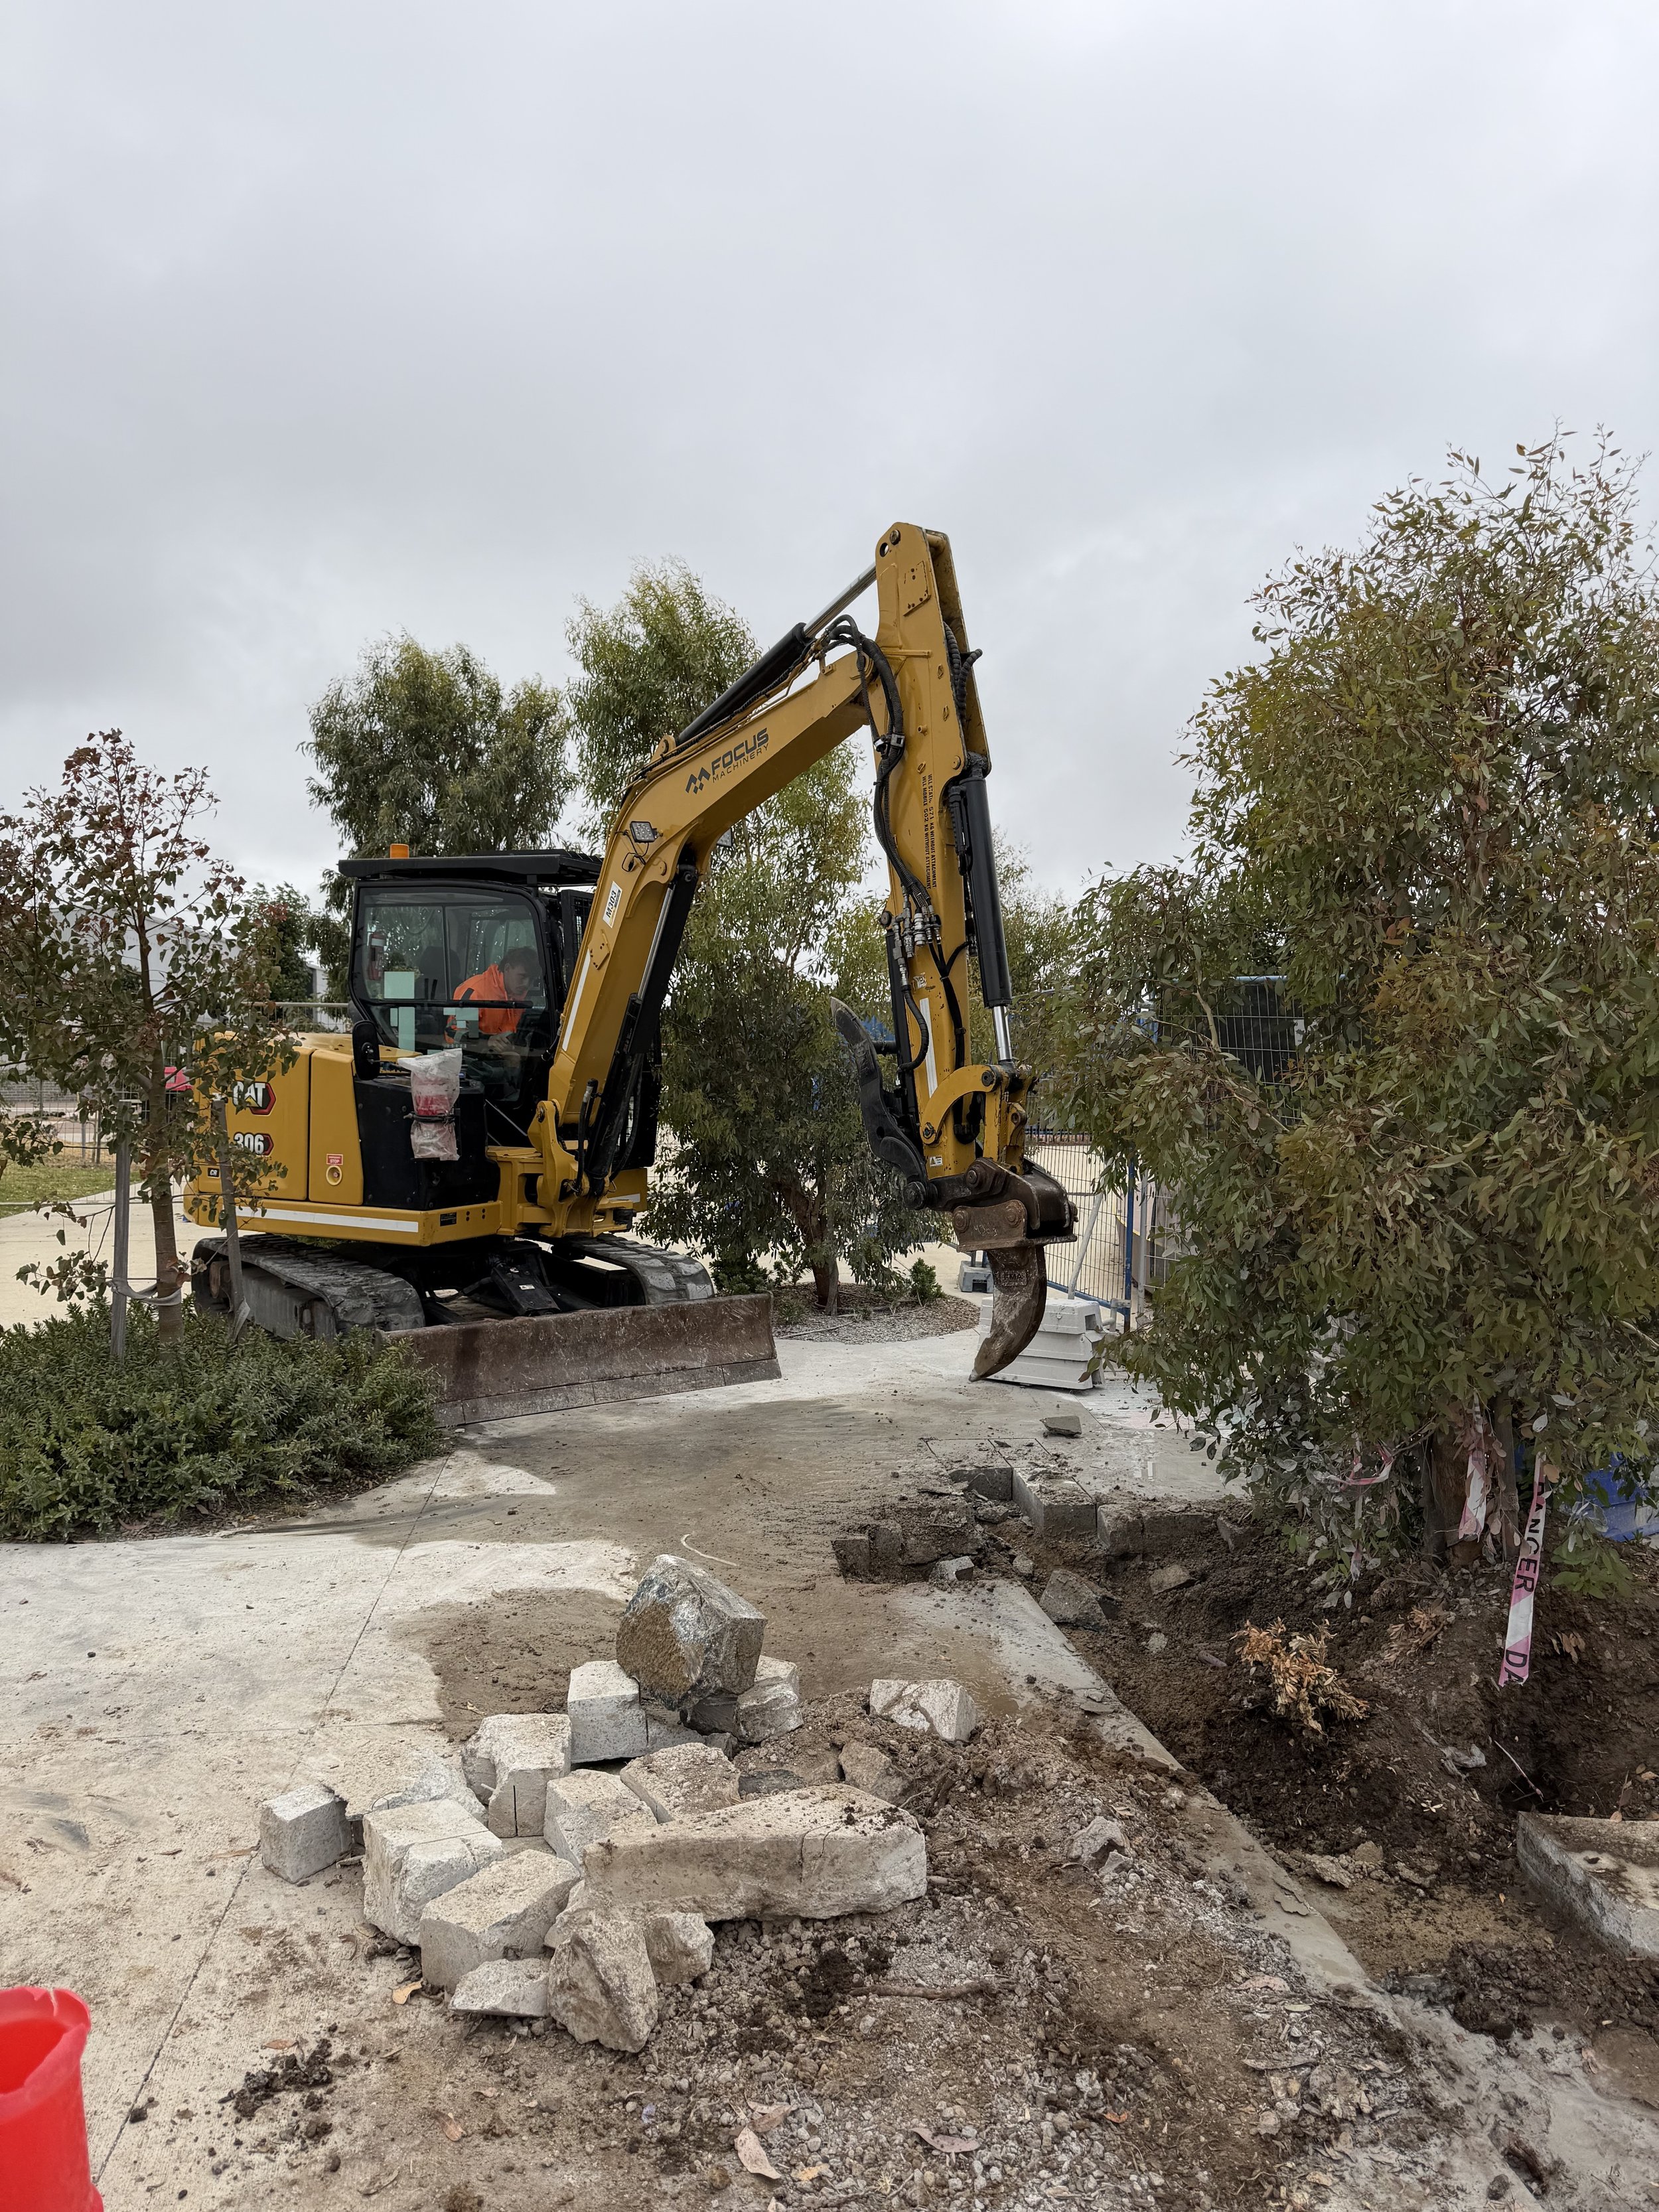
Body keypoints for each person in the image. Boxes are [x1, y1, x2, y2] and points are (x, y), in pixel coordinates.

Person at [453, 948, 535, 1044]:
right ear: (507, 969)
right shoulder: (477, 992)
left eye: (531, 979)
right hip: (473, 1056)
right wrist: (487, 1041)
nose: (526, 984)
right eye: (522, 977)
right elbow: (457, 1034)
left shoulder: (518, 994)